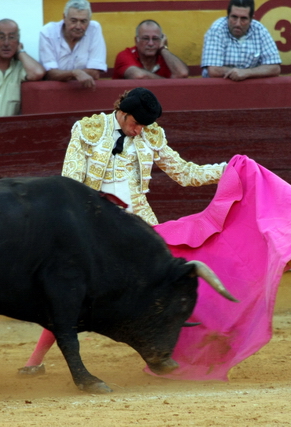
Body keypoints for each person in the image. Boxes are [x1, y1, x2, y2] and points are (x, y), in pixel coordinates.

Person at [18, 87, 227, 375]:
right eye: (135, 123)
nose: (139, 130)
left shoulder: (151, 136)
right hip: (96, 225)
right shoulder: (88, 130)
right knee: (72, 294)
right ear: (124, 112)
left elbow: (185, 173)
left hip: (140, 226)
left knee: (167, 287)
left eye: (144, 126)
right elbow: (70, 184)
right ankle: (34, 361)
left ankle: (163, 357)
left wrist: (228, 170)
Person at [200, 0, 281, 81]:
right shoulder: (217, 30)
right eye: (234, 17)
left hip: (251, 89)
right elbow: (214, 70)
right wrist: (239, 73)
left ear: (251, 19)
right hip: (218, 89)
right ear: (228, 16)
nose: (238, 24)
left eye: (243, 19)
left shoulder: (259, 30)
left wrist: (247, 72)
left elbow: (275, 68)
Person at [38, 0, 107, 88]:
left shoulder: (94, 28)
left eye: (83, 21)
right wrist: (75, 73)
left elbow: (94, 73)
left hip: (83, 93)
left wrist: (62, 75)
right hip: (54, 92)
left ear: (89, 20)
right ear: (64, 17)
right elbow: (49, 74)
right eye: (73, 21)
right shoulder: (48, 32)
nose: (78, 26)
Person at [113, 20, 189, 79]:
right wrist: (169, 83)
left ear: (161, 40)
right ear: (136, 40)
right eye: (146, 38)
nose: (151, 43)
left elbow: (182, 74)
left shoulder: (165, 58)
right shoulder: (125, 55)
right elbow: (140, 76)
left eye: (155, 39)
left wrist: (163, 49)